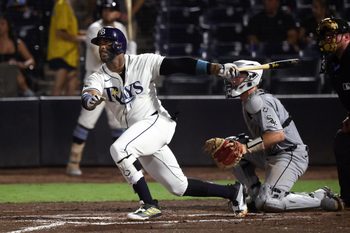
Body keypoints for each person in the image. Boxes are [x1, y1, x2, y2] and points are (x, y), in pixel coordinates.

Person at [81, 26, 247, 220]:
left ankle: (149, 204)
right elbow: (89, 94)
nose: (101, 48)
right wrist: (90, 99)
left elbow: (179, 65)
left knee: (119, 149)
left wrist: (215, 68)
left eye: (105, 43)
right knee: (179, 186)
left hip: (156, 122)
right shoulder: (98, 76)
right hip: (139, 135)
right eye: (99, 44)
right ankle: (233, 192)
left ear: (119, 44)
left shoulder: (144, 62)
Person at [223, 59, 344, 212]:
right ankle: (255, 193)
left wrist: (246, 147)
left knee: (269, 202)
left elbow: (276, 136)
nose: (232, 80)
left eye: (238, 76)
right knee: (230, 147)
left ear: (251, 77)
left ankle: (319, 197)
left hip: (290, 154)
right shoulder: (248, 100)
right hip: (271, 153)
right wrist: (241, 147)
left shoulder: (259, 101)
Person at [66, 0, 130, 176]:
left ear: (117, 13)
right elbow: (102, 56)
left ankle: (126, 164)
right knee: (86, 121)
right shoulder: (95, 29)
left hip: (115, 81)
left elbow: (125, 56)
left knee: (118, 123)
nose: (108, 13)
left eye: (111, 10)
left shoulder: (121, 28)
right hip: (96, 80)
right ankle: (73, 162)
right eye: (105, 9)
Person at [316, 17, 350, 208]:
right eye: (324, 36)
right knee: (343, 141)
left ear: (346, 37)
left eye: (331, 35)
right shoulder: (331, 63)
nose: (327, 40)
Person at [47, 0, 85, 96]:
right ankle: (51, 110)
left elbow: (70, 30)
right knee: (59, 85)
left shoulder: (66, 6)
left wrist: (84, 34)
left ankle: (68, 110)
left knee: (72, 83)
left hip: (70, 55)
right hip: (62, 54)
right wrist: (80, 38)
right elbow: (60, 32)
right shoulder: (62, 5)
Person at [0, 13, 35, 97]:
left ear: (8, 25)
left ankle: (29, 95)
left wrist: (21, 64)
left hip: (13, 76)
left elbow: (31, 61)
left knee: (14, 71)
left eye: (2, 24)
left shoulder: (17, 43)